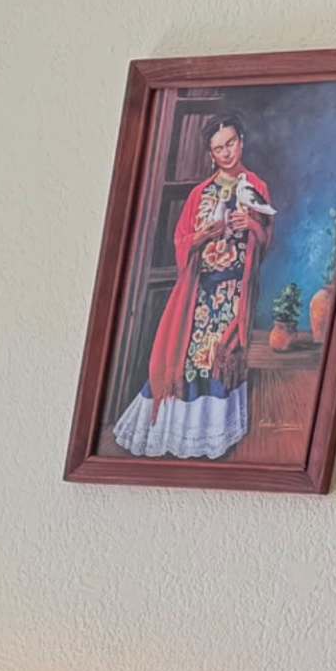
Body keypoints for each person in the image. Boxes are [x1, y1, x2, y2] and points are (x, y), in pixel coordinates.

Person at [110, 120, 275, 461]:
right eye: (219, 148)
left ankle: (214, 436)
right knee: (189, 360)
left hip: (234, 293)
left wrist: (254, 227)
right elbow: (181, 243)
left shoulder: (256, 185)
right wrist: (204, 235)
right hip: (199, 292)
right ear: (210, 154)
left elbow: (267, 241)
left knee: (220, 359)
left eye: (231, 143)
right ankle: (182, 434)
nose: (226, 152)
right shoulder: (199, 194)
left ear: (241, 141)